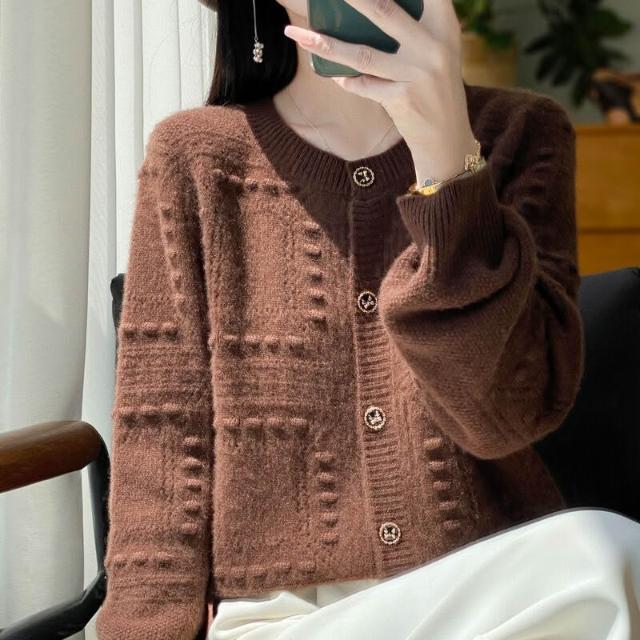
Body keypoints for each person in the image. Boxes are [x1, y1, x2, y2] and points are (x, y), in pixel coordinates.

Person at [95, 1, 640, 639]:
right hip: (285, 621)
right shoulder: (194, 159)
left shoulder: (521, 134)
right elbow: (162, 435)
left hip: (489, 604)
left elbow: (503, 420)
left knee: (610, 558)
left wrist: (448, 163)